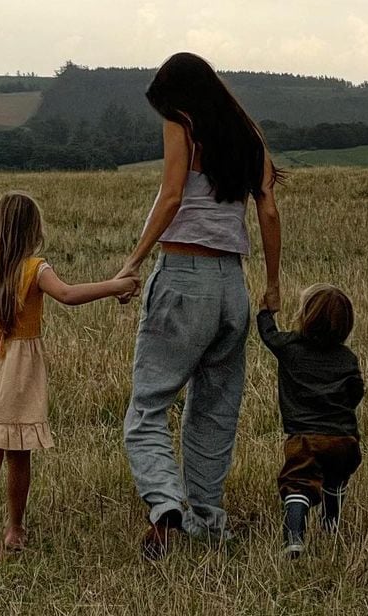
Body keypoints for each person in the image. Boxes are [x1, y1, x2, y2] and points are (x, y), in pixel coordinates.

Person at [116, 52, 282, 559]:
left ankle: (166, 504)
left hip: (184, 276)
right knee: (214, 408)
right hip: (234, 284)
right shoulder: (248, 134)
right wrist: (272, 285)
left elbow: (170, 197)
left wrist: (133, 261)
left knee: (147, 408)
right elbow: (269, 210)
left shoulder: (180, 123)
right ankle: (208, 518)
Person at [0, 191, 139, 561]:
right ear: (33, 230)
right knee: (19, 453)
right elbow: (68, 294)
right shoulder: (35, 269)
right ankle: (15, 528)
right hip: (18, 375)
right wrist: (116, 285)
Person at [257, 284, 364, 558]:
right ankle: (331, 525)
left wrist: (265, 311)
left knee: (298, 485)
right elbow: (356, 391)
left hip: (305, 438)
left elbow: (268, 335)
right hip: (344, 439)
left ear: (305, 317)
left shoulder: (290, 346)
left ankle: (294, 538)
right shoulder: (347, 358)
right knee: (335, 480)